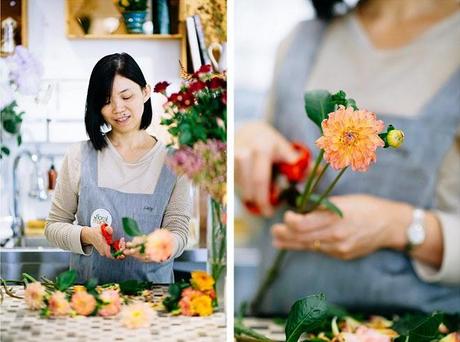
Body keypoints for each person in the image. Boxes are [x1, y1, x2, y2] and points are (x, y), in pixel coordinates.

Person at [235, 0, 460, 314]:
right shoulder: (302, 41)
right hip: (274, 326)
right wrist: (248, 150)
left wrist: (399, 226)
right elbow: (255, 212)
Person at [45, 53, 191, 284]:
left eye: (126, 96)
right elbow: (53, 227)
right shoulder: (79, 156)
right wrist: (87, 236)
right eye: (106, 100)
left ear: (145, 92)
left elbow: (180, 233)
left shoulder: (175, 162)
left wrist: (161, 246)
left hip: (152, 303)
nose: (117, 108)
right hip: (89, 302)